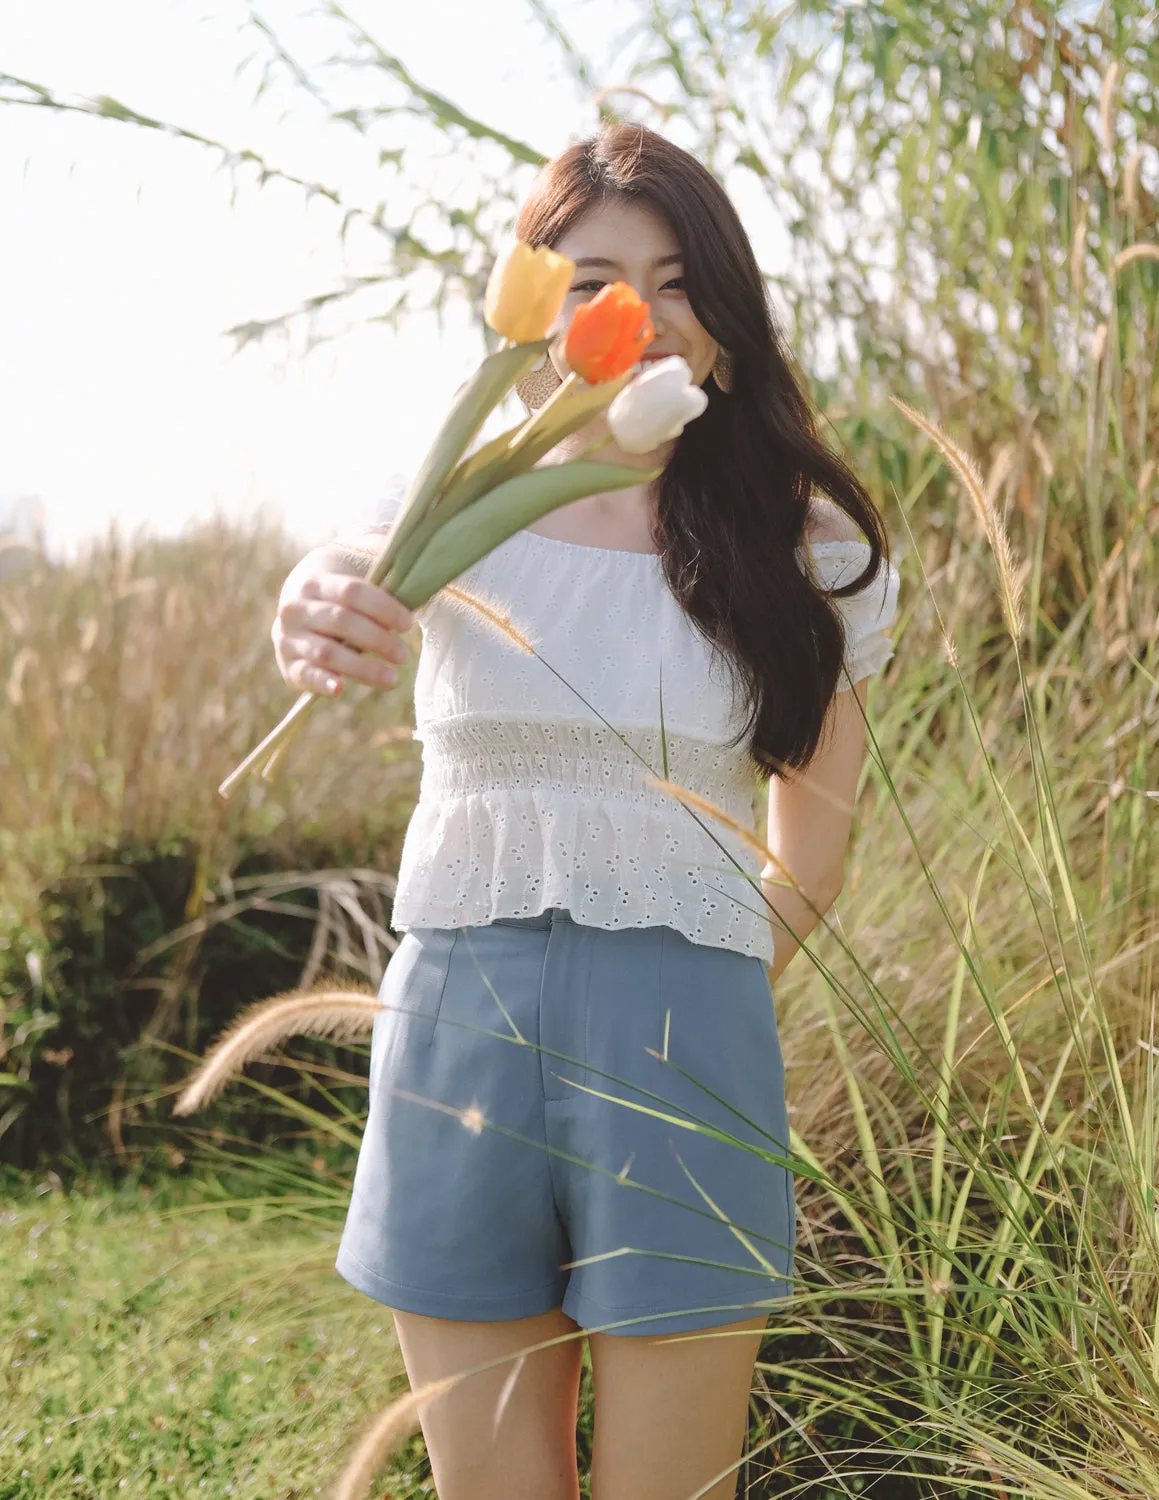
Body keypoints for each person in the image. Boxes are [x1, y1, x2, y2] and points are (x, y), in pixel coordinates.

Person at [272, 124, 900, 1500]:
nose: (643, 316)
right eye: (594, 280)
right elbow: (344, 587)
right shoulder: (450, 498)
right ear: (534, 307)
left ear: (728, 314)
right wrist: (309, 608)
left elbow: (815, 849)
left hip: (688, 1035)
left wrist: (702, 995)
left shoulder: (811, 550)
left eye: (678, 281)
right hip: (454, 1024)